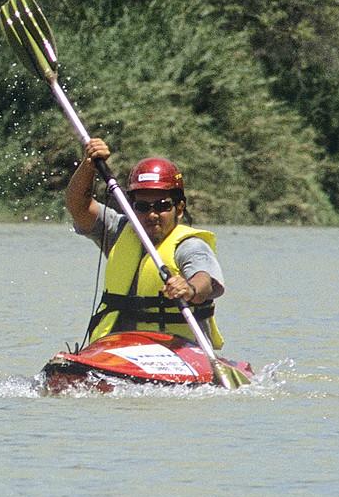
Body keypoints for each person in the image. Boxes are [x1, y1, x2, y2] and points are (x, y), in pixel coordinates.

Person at [64, 136, 226, 349]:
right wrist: (88, 164)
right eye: (142, 207)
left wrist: (189, 289)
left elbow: (204, 280)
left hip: (177, 350)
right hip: (117, 348)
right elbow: (78, 207)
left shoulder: (190, 246)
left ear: (179, 208)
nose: (151, 215)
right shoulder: (118, 231)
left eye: (161, 206)